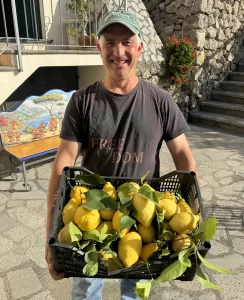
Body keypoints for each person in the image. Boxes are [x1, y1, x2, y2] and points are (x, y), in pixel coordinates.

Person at [45, 9, 198, 300]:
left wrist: (192, 217)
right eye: (110, 42)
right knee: (86, 290)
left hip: (142, 221)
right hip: (90, 216)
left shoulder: (160, 101)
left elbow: (185, 159)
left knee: (135, 294)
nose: (119, 51)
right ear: (98, 48)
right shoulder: (82, 102)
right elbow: (62, 163)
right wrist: (49, 236)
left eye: (127, 41)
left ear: (139, 47)